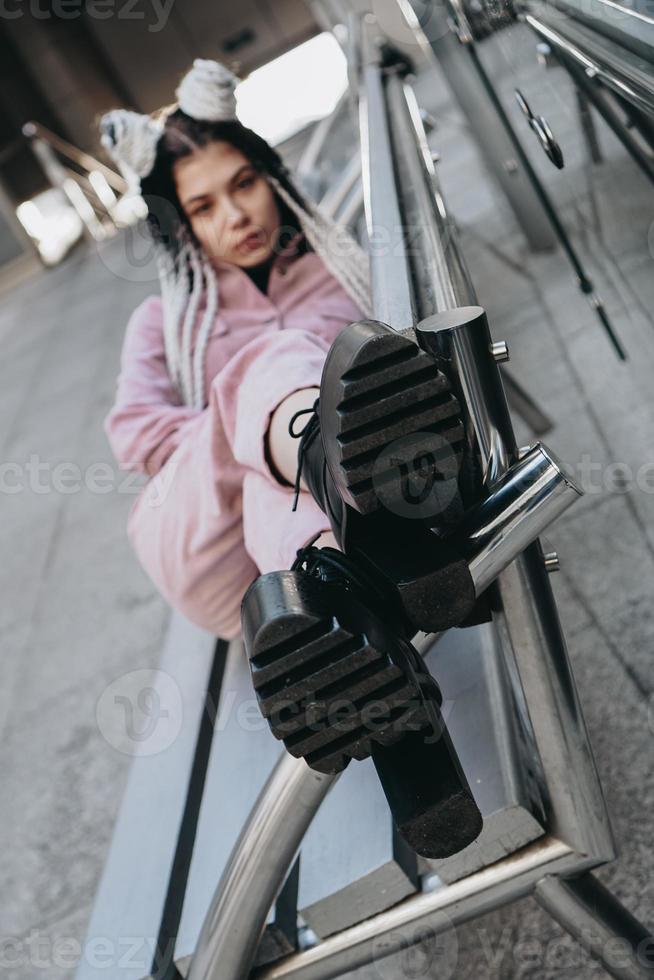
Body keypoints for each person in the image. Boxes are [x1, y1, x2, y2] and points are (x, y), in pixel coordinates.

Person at [100, 59, 482, 858]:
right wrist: (243, 437)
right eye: (204, 205)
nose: (236, 215)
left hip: (299, 594)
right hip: (209, 552)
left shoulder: (332, 274)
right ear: (180, 223)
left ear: (270, 175)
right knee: (271, 373)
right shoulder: (159, 321)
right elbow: (136, 436)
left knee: (310, 453)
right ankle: (316, 464)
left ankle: (415, 760)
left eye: (244, 183)